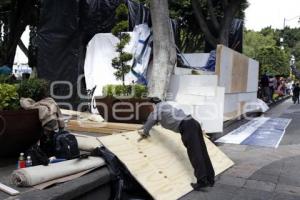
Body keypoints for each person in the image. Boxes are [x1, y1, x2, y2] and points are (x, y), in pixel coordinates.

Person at [138, 97, 215, 190]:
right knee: (202, 152)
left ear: (153, 104)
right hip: (193, 123)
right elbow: (153, 121)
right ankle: (210, 179)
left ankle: (202, 181)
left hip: (187, 126)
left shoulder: (158, 109)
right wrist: (145, 126)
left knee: (195, 154)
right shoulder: (165, 106)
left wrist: (145, 132)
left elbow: (151, 119)